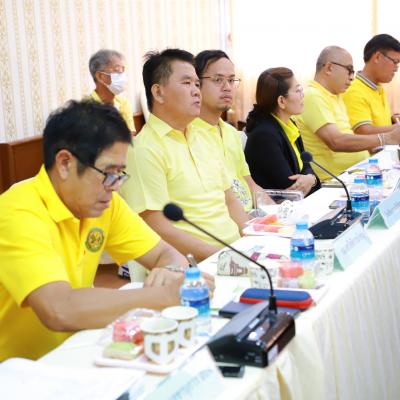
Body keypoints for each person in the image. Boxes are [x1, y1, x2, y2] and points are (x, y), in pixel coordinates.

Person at [0, 100, 215, 361]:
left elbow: (165, 254)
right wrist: (162, 295)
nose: (115, 186)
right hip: (19, 368)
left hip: (78, 348)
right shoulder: (16, 212)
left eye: (120, 174)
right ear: (65, 163)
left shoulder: (104, 203)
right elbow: (59, 309)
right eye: (108, 173)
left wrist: (170, 273)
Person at [121, 49, 248, 261]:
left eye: (197, 84)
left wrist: (253, 241)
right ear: (158, 92)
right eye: (187, 83)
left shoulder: (204, 136)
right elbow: (156, 226)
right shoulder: (143, 150)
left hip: (237, 253)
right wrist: (223, 258)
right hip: (195, 265)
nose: (196, 91)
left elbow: (230, 201)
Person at [296, 46, 400, 181]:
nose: (352, 77)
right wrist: (386, 138)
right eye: (349, 71)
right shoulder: (313, 96)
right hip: (333, 181)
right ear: (329, 68)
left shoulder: (336, 96)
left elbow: (349, 135)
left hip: (354, 175)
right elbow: (336, 141)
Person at [191, 50, 269, 212]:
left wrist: (278, 216)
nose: (227, 87)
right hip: (226, 220)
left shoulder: (231, 132)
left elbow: (250, 183)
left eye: (231, 80)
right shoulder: (189, 135)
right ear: (197, 84)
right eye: (218, 80)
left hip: (252, 216)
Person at [244, 67, 320, 196]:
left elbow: (306, 167)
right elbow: (291, 188)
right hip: (276, 205)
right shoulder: (265, 136)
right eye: (298, 90)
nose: (303, 95)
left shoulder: (290, 124)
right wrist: (312, 179)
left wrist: (311, 179)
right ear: (281, 101)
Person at [343, 34, 400, 135]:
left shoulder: (378, 88)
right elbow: (364, 131)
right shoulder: (354, 91)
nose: (396, 69)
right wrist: (397, 128)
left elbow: (378, 126)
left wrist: (393, 121)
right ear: (377, 57)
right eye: (395, 62)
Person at [88, 49, 136, 136]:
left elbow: (130, 136)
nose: (122, 76)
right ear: (100, 76)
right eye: (117, 70)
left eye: (123, 71)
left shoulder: (123, 103)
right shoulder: (86, 108)